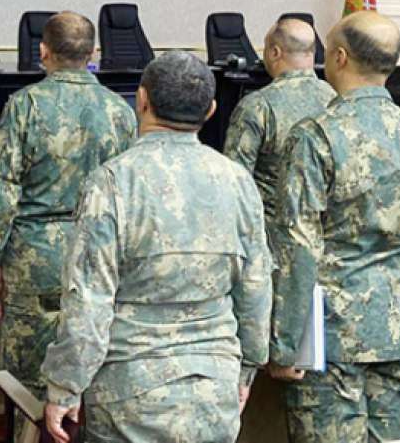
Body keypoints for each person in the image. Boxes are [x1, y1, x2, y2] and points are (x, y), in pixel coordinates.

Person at [42, 51, 271, 443]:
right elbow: (256, 287)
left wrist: (65, 387)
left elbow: (88, 302)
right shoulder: (238, 181)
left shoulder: (112, 182)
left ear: (141, 100)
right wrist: (247, 367)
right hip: (214, 385)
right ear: (211, 110)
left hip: (128, 391)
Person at [269, 11, 400, 443]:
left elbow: (297, 247)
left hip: (329, 339)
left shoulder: (315, 136)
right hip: (398, 330)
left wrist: (285, 344)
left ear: (338, 57)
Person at [0, 12, 135, 412]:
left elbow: (2, 191)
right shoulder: (120, 110)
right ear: (93, 53)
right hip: (100, 258)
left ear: (43, 52)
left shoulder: (25, 106)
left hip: (35, 261)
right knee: (91, 379)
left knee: (27, 388)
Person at [224, 18, 335, 222]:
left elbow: (235, 181)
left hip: (272, 230)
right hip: (325, 228)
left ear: (274, 52)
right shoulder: (335, 100)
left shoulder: (257, 105)